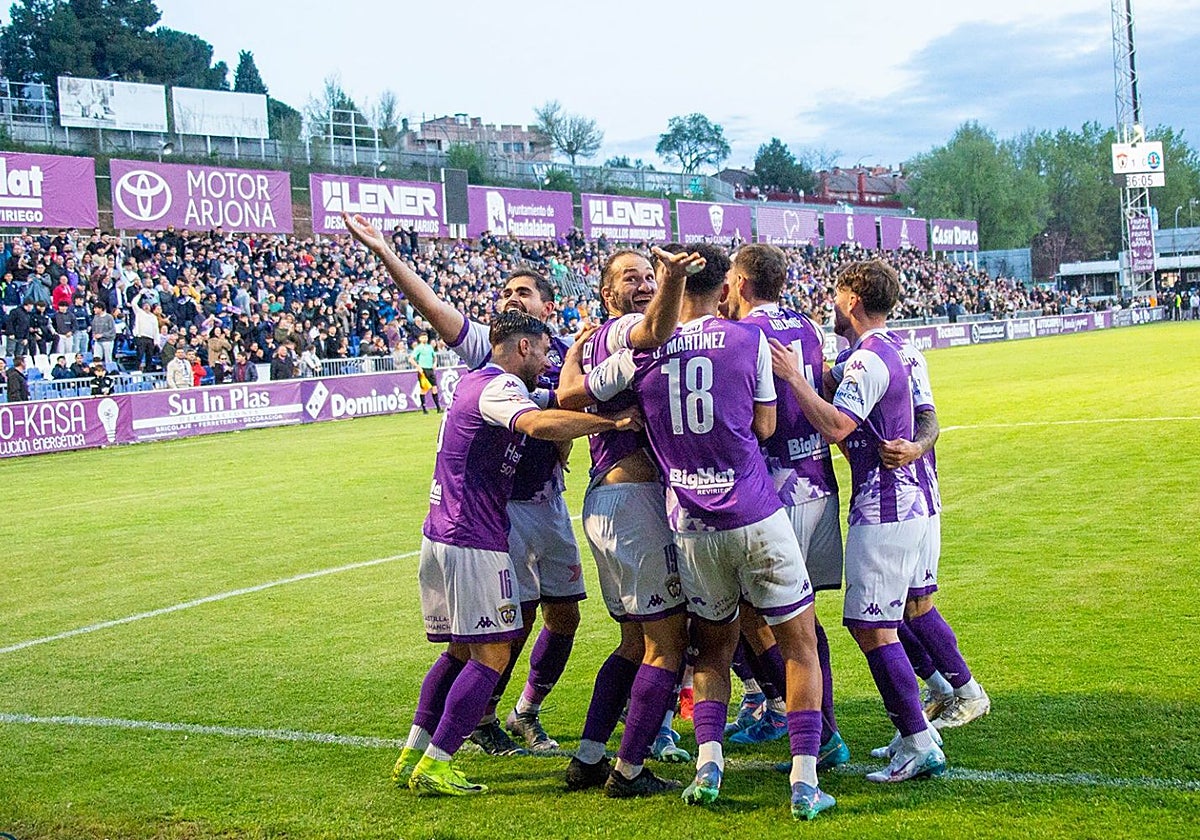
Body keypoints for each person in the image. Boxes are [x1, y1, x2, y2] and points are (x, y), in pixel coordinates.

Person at [580, 244, 835, 819]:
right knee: (798, 646)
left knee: (711, 650)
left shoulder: (642, 350)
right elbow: (765, 426)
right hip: (755, 513)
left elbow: (578, 395)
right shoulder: (746, 339)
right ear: (724, 290)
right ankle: (803, 780)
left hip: (690, 526)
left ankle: (708, 768)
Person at [343, 212, 582, 758]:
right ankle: (482, 717)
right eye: (505, 293)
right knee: (502, 624)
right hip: (498, 510)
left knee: (564, 613)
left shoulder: (559, 351)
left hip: (548, 501)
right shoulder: (491, 349)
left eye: (523, 292)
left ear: (547, 304)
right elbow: (433, 307)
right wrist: (385, 252)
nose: (511, 300)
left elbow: (576, 400)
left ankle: (528, 710)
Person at [392, 310, 640, 797]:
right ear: (523, 348)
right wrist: (608, 423)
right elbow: (542, 422)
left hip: (441, 533)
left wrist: (574, 360)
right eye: (544, 350)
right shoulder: (497, 387)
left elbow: (558, 395)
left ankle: (412, 753)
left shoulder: (477, 383)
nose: (546, 360)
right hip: (473, 539)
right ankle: (437, 762)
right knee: (491, 655)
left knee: (459, 652)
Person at [769, 258, 946, 783]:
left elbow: (835, 425)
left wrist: (795, 381)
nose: (832, 304)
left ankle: (919, 740)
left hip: (886, 507)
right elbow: (925, 416)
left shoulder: (868, 361)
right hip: (907, 503)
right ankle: (916, 727)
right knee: (879, 622)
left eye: (838, 295)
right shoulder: (892, 351)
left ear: (851, 300)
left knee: (871, 626)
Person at [553, 246, 698, 797]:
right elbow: (653, 333)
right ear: (608, 295)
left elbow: (570, 390)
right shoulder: (625, 330)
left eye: (648, 275)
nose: (643, 284)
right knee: (667, 642)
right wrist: (674, 280)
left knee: (634, 645)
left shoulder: (592, 342)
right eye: (630, 278)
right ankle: (629, 770)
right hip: (634, 505)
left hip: (610, 501)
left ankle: (589, 758)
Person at [721, 244, 849, 767]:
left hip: (774, 492)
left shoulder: (745, 336)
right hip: (817, 479)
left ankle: (810, 726)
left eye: (730, 278)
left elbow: (754, 419)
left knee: (759, 619)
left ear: (744, 284)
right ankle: (813, 725)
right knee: (802, 620)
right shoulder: (810, 327)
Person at [410, 333, 442, 414]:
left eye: (426, 337)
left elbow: (434, 357)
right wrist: (418, 367)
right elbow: (411, 359)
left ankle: (438, 407)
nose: (425, 338)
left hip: (430, 369)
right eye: (423, 337)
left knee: (434, 387)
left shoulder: (430, 347)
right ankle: (424, 409)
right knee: (424, 389)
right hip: (423, 370)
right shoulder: (418, 348)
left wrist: (435, 363)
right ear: (420, 339)